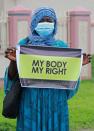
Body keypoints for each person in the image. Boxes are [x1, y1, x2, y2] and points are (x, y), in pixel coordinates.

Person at [4, 7, 91, 131]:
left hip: (55, 101)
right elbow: (13, 76)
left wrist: (78, 64)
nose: (46, 23)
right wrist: (13, 61)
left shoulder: (61, 46)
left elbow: (67, 73)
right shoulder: (24, 45)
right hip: (30, 100)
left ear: (54, 24)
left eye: (49, 20)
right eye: (42, 20)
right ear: (34, 23)